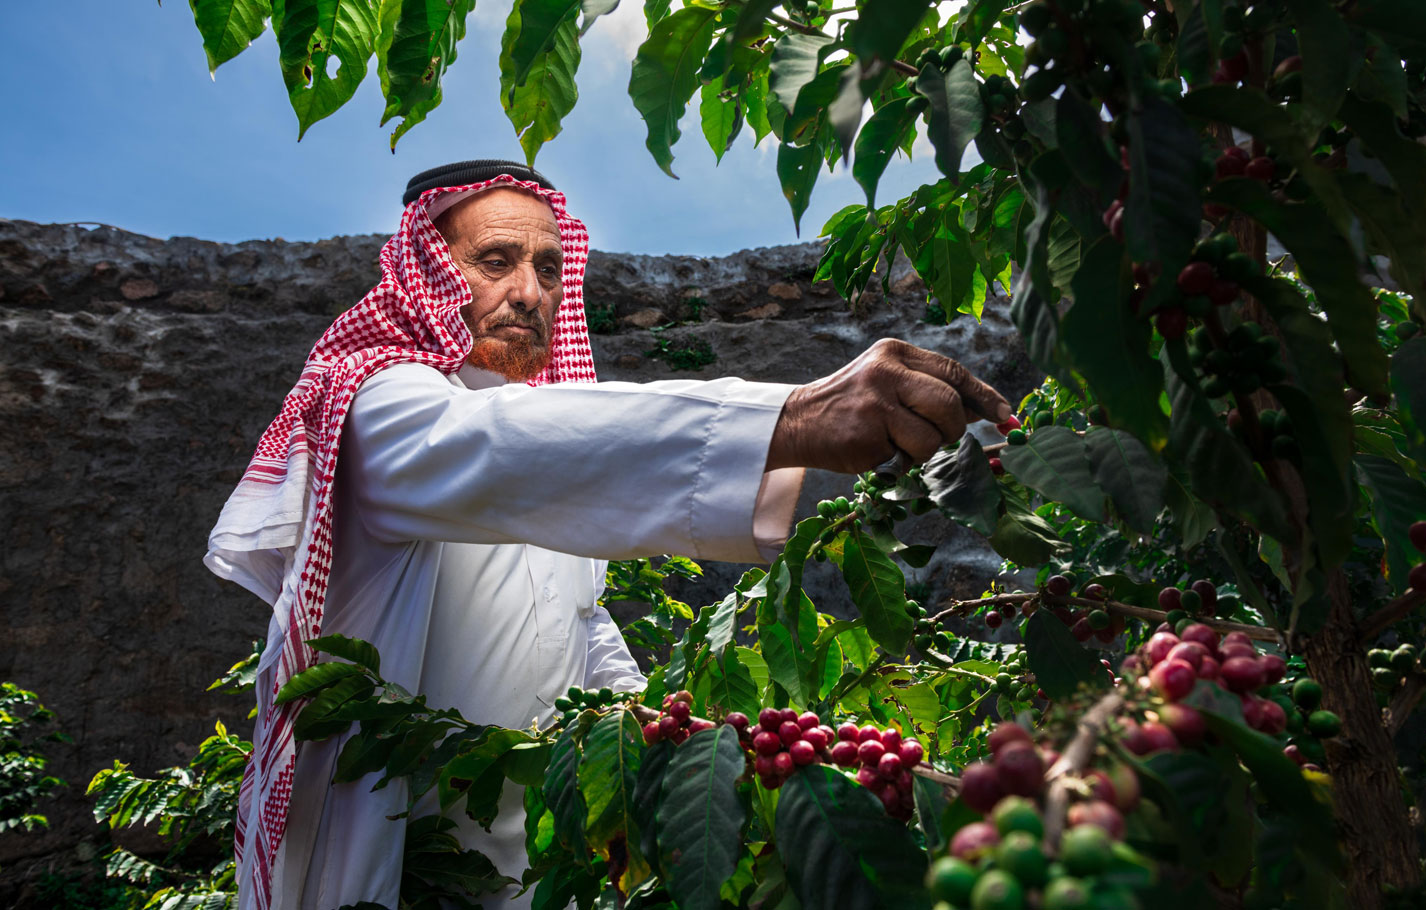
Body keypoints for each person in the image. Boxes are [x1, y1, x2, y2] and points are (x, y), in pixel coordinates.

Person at [204, 160, 1012, 910]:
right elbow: (495, 444)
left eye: (548, 268)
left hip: (535, 873)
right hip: (392, 866)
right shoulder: (380, 406)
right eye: (495, 262)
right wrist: (796, 416)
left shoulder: (557, 453)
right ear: (428, 271)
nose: (529, 292)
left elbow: (582, 633)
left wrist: (684, 740)